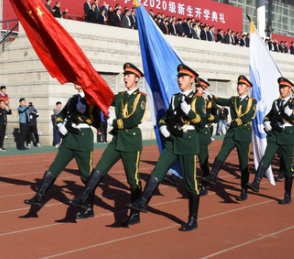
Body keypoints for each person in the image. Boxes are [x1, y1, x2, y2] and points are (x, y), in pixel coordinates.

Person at [126, 64, 205, 231]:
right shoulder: (175, 98)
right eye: (178, 77)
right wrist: (162, 126)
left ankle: (193, 219)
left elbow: (202, 122)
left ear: (192, 80)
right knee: (158, 171)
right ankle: (143, 201)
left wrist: (189, 112)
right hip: (172, 142)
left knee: (190, 183)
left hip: (188, 143)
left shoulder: (198, 99)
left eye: (183, 77)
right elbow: (167, 116)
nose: (179, 80)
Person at [68, 63, 148, 227]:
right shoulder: (119, 96)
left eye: (129, 75)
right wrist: (87, 86)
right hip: (117, 140)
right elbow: (102, 97)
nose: (126, 78)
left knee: (132, 180)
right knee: (99, 169)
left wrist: (115, 122)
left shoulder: (141, 98)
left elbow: (135, 119)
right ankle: (84, 196)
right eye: (124, 75)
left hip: (131, 141)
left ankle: (135, 214)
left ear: (136, 79)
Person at [25, 84, 101, 219]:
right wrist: (60, 125)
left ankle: (89, 208)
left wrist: (84, 112)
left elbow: (97, 121)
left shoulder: (92, 99)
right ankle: (40, 197)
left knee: (86, 176)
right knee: (55, 167)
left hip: (83, 138)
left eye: (77, 79)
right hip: (69, 137)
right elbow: (61, 114)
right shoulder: (72, 99)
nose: (74, 82)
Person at [247, 77, 294, 204]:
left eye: (284, 87)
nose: (281, 90)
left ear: (290, 89)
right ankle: (256, 182)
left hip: (287, 136)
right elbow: (269, 115)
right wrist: (266, 122)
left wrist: (291, 115)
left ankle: (287, 195)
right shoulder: (276, 103)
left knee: (288, 168)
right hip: (274, 135)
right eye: (280, 87)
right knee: (266, 158)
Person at [203, 75, 257, 201]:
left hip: (243, 134)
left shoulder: (251, 102)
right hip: (232, 134)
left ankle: (243, 190)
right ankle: (213, 176)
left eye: (242, 85)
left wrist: (233, 123)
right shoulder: (233, 100)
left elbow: (248, 116)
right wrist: (210, 95)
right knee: (221, 154)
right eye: (238, 84)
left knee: (243, 165)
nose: (239, 87)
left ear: (247, 88)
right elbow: (221, 101)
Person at [194, 78, 216, 196]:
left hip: (203, 134)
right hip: (192, 133)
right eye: (196, 86)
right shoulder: (193, 99)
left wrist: (204, 115)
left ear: (205, 89)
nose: (197, 89)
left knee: (203, 162)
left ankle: (205, 186)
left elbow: (216, 118)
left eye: (200, 87)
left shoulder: (210, 102)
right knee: (190, 161)